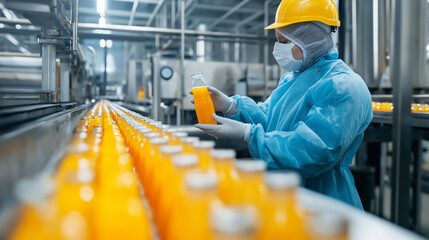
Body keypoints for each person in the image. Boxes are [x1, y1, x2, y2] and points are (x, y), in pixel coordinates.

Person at [192, 0, 372, 210]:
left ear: (310, 38)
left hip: (323, 203)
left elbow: (313, 151)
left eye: (284, 40)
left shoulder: (343, 86)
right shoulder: (292, 80)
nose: (278, 48)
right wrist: (233, 106)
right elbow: (270, 117)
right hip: (282, 195)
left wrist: (249, 134)